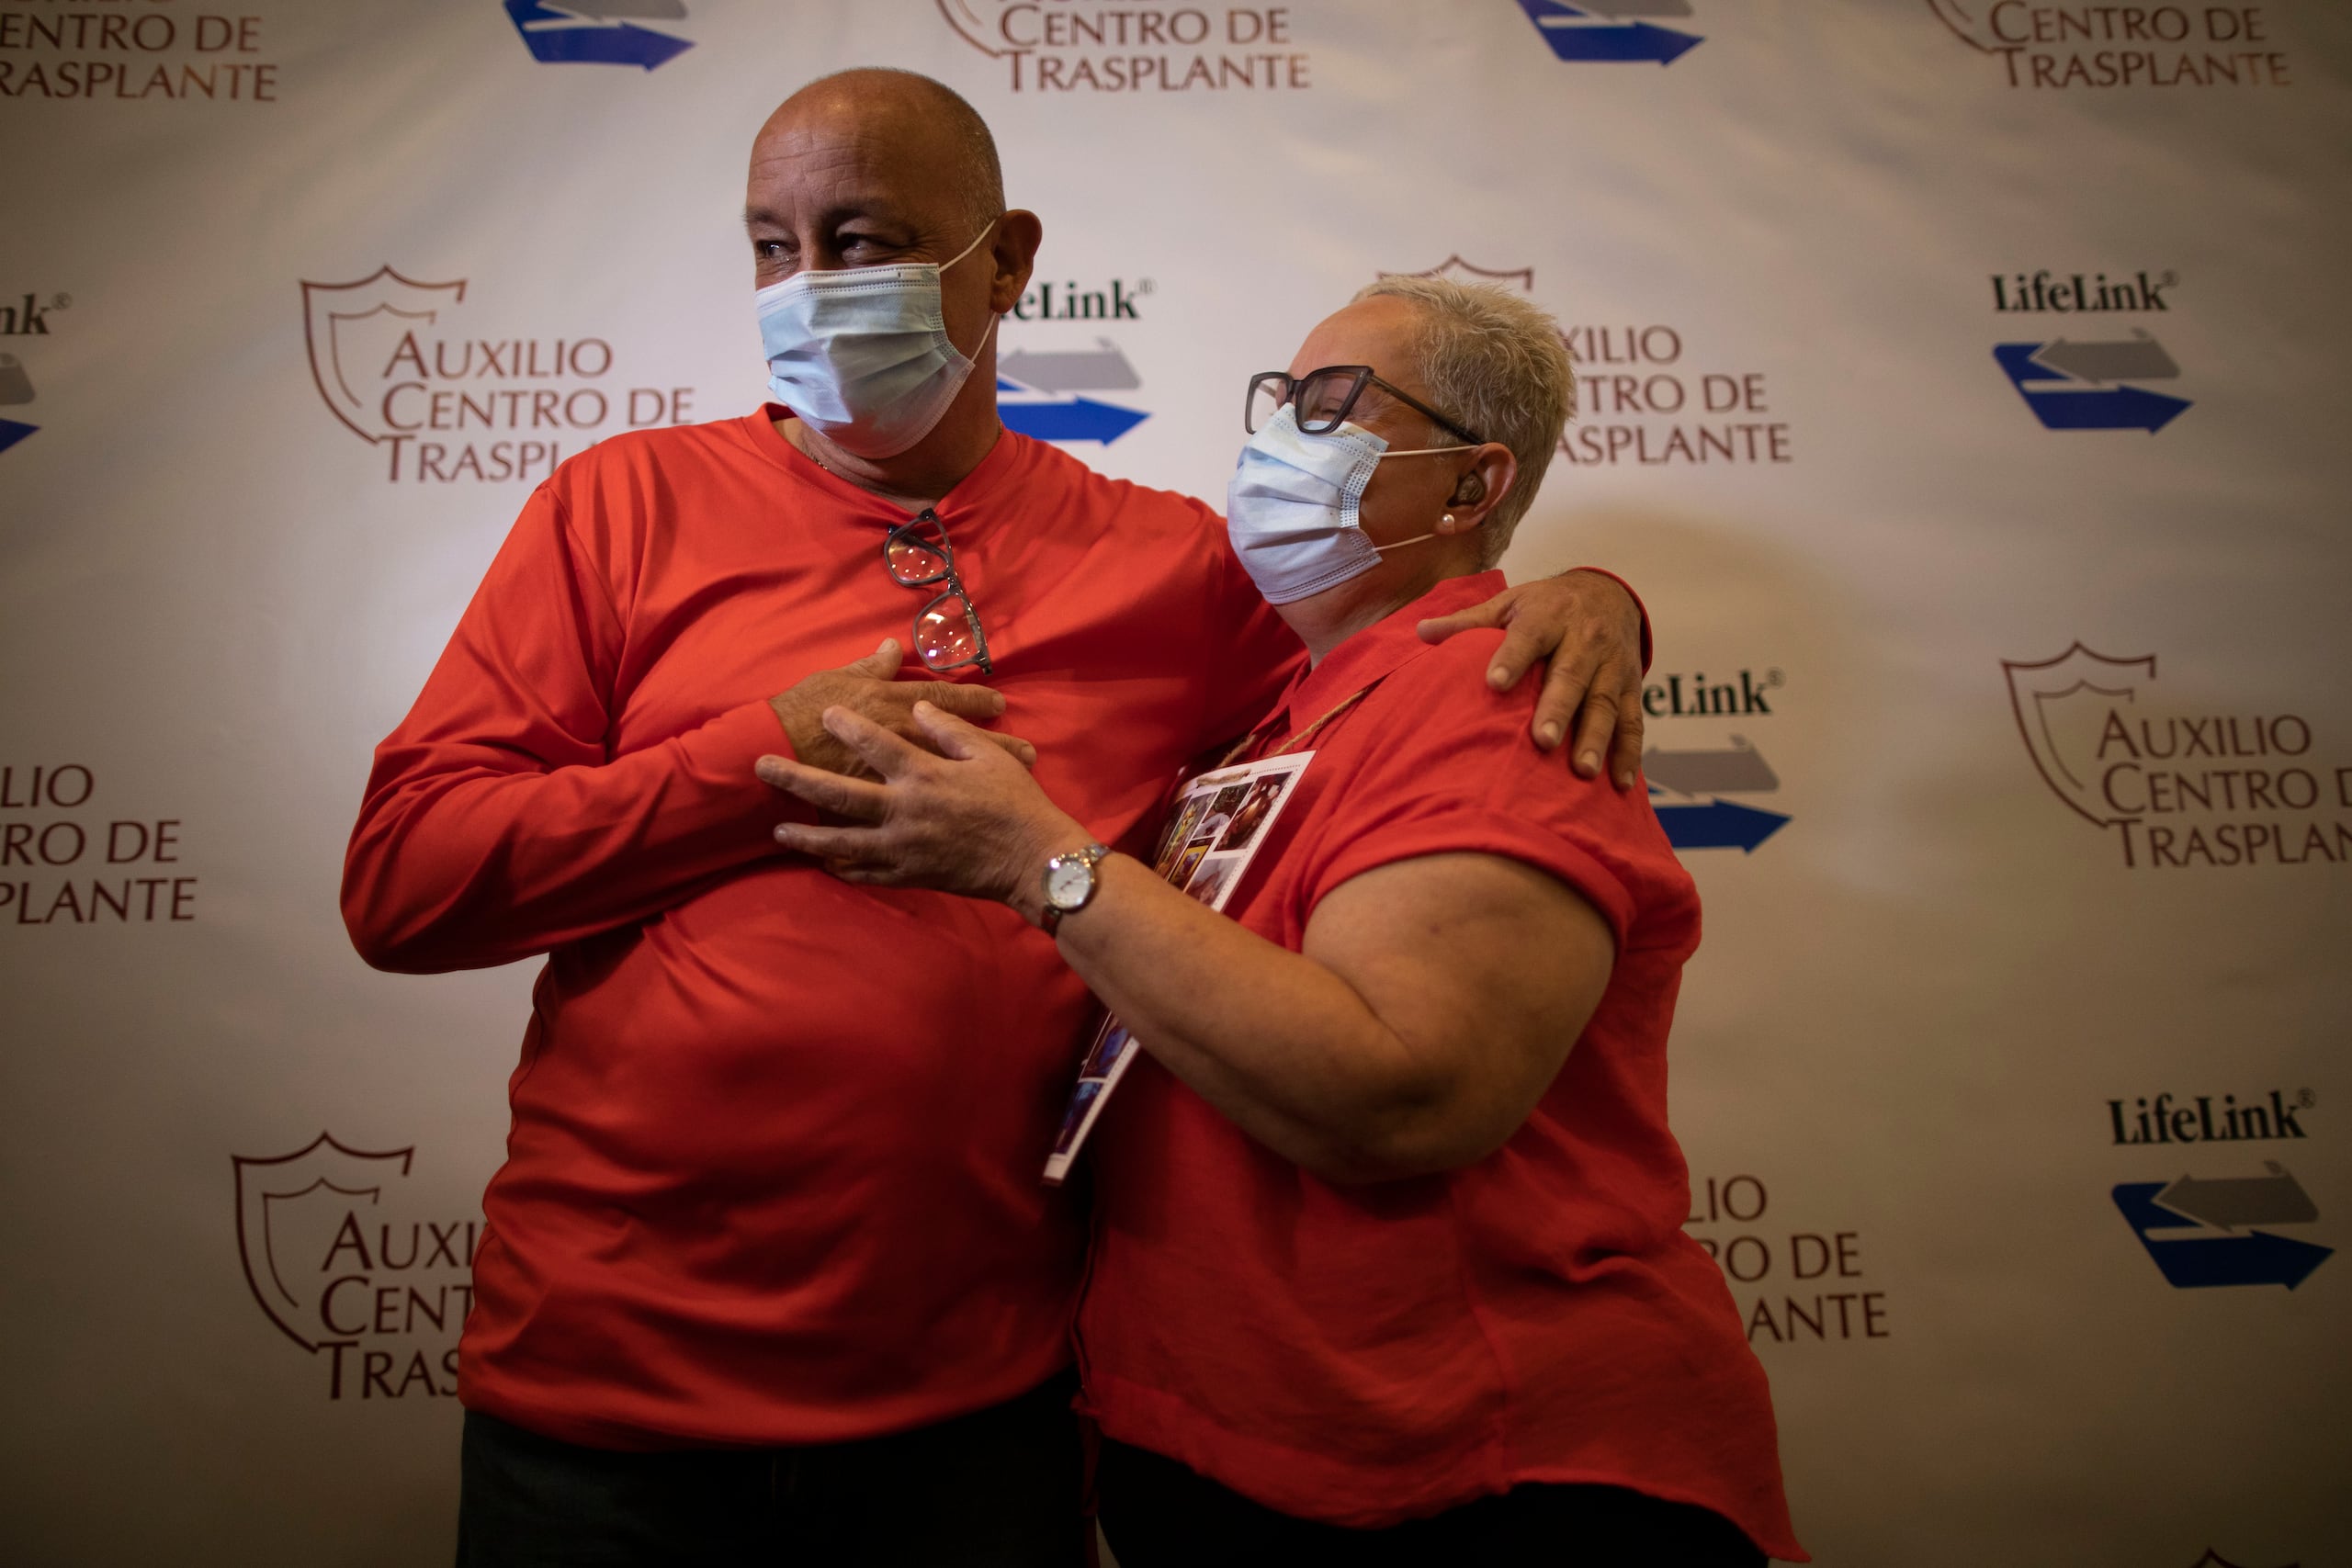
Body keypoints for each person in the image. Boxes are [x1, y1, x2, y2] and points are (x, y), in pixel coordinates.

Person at [339, 69, 1653, 1565]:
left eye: (864, 237)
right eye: (776, 246)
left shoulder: (1176, 567)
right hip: (602, 1409)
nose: (812, 288)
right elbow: (403, 888)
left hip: (984, 1411)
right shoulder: (616, 506)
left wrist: (1590, 597)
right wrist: (754, 755)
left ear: (1009, 259)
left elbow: (1393, 644)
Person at [758, 276, 1804, 1564]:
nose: (1275, 433)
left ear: (1472, 489)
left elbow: (1403, 1096)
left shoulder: (1489, 695)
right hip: (1248, 1466)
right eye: (1277, 396)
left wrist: (1039, 862)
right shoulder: (1285, 716)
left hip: (1474, 1478)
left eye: (1328, 405)